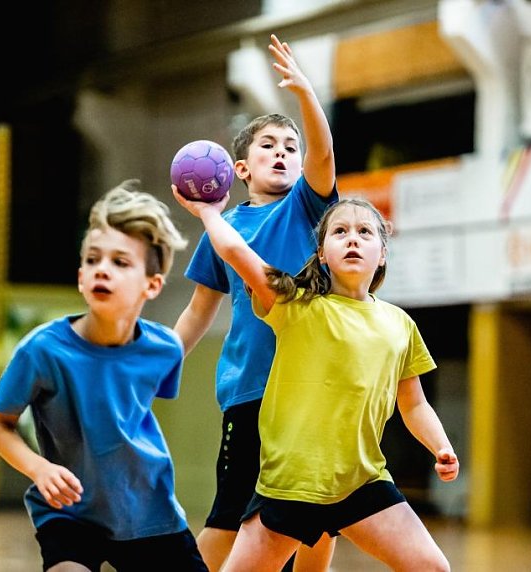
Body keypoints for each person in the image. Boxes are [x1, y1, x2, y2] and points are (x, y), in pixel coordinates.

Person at [173, 192, 459, 572]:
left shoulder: (400, 325)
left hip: (361, 482)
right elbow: (237, 253)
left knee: (434, 568)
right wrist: (209, 213)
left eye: (364, 232)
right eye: (339, 231)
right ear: (322, 253)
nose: (353, 238)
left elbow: (414, 404)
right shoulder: (295, 305)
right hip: (288, 488)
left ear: (383, 253)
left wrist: (440, 446)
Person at [173, 34, 337, 571]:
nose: (283, 153)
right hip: (249, 391)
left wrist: (307, 97)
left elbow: (325, 154)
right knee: (229, 518)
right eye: (267, 145)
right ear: (239, 169)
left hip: (314, 388)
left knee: (314, 522)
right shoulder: (222, 228)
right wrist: (161, 358)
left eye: (290, 147)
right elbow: (200, 309)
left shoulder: (308, 209)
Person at [0, 181, 207, 572]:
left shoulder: (164, 350)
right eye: (93, 259)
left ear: (152, 284)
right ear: (81, 276)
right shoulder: (42, 350)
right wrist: (39, 468)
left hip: (148, 513)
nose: (102, 269)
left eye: (120, 262)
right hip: (70, 512)